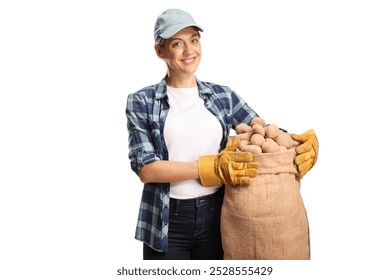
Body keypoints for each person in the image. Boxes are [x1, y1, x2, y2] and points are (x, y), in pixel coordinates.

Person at [126, 8, 319, 260]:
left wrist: (297, 141)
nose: (189, 51)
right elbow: (147, 169)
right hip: (166, 220)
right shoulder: (142, 101)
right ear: (160, 51)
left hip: (218, 214)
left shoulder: (223, 96)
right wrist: (212, 168)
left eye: (194, 40)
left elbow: (261, 133)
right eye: (177, 43)